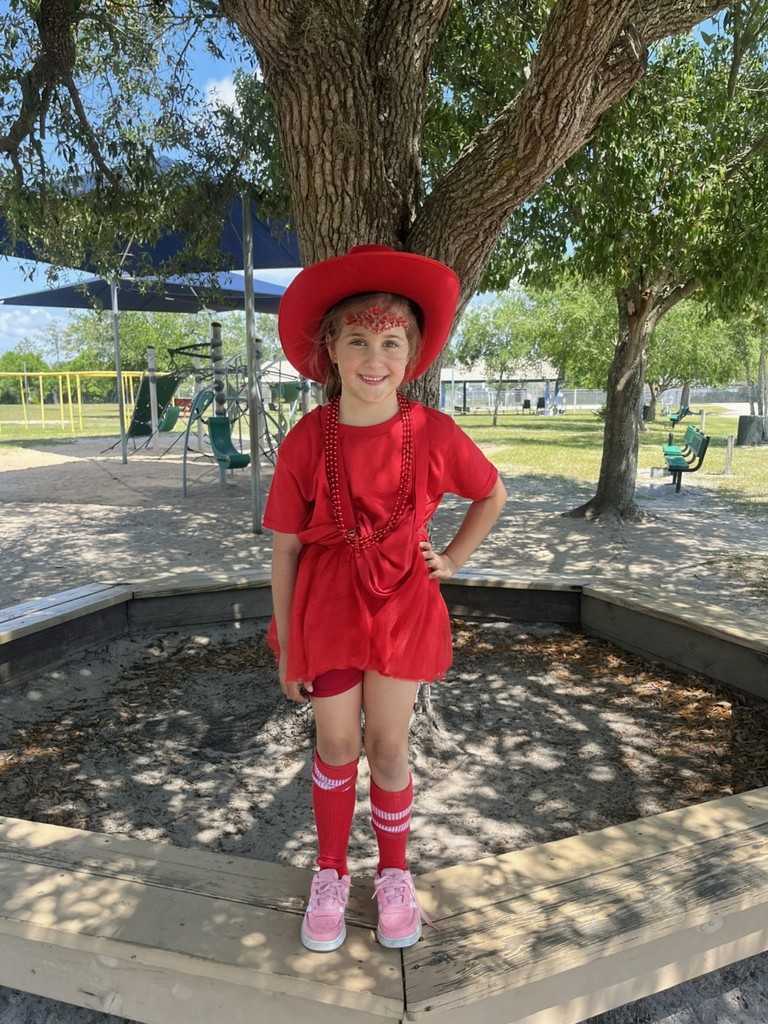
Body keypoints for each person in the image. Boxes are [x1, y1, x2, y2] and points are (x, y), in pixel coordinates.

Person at [262, 244, 507, 953]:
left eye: (391, 342)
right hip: (327, 610)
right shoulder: (308, 439)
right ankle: (332, 871)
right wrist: (286, 643)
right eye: (358, 340)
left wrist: (453, 557)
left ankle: (394, 874)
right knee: (337, 742)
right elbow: (284, 548)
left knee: (389, 745)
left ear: (412, 353)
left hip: (403, 605)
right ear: (330, 352)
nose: (376, 358)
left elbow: (491, 493)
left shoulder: (430, 432)